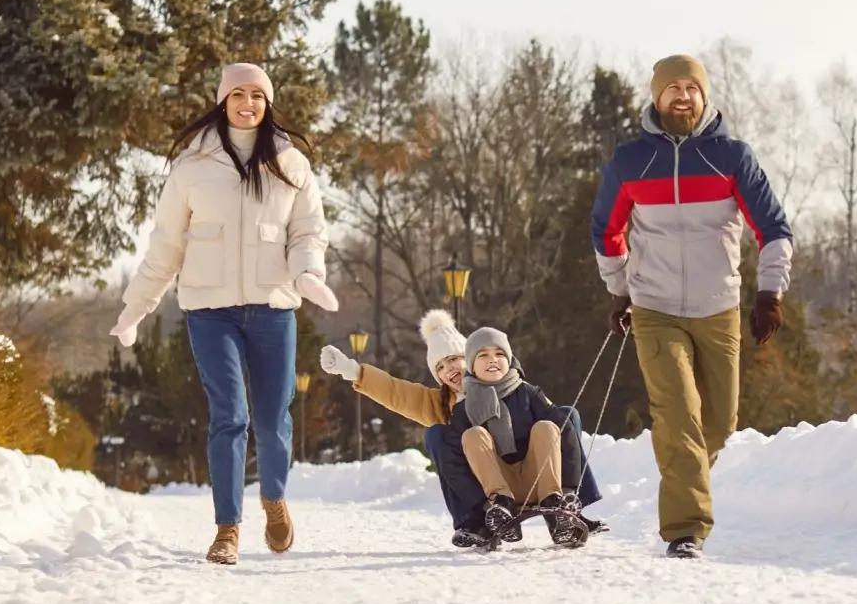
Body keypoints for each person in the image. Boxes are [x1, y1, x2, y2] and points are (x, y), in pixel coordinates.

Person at [110, 63, 337, 566]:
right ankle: (227, 528)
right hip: (211, 313)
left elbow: (307, 232)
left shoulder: (290, 162)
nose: (247, 103)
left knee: (273, 418)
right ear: (222, 100)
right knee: (229, 416)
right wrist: (135, 308)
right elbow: (166, 246)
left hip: (274, 308)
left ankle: (274, 499)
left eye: (257, 95)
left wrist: (306, 273)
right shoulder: (192, 166)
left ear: (267, 103)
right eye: (238, 94)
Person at [589, 54, 794, 558]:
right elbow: (606, 231)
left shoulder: (731, 157)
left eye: (692, 88)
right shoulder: (632, 161)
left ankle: (684, 479)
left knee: (719, 424)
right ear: (656, 97)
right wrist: (620, 289)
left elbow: (773, 228)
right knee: (677, 415)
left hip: (717, 306)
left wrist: (769, 292)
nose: (683, 97)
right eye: (673, 88)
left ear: (704, 96)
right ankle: (686, 530)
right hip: (654, 307)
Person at [319, 311, 605, 547]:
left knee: (565, 416)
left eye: (454, 359)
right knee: (437, 435)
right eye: (440, 367)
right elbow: (397, 392)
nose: (450, 370)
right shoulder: (443, 403)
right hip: (489, 483)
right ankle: (477, 520)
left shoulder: (518, 387)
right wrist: (353, 371)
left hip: (534, 470)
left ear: (470, 357)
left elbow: (555, 430)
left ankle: (568, 506)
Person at [435, 328, 597, 550]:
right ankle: (502, 509)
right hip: (498, 487)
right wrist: (481, 505)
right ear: (471, 365)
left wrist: (569, 489)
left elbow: (566, 431)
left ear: (509, 359)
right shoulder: (464, 409)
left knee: (547, 427)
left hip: (539, 479)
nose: (493, 360)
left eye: (499, 354)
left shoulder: (528, 393)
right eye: (483, 355)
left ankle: (555, 507)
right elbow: (455, 463)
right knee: (473, 436)